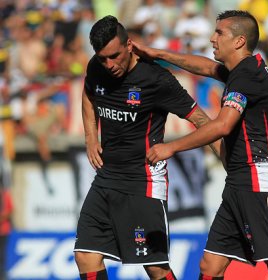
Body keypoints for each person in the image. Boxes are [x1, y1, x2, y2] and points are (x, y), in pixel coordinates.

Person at [133, 10, 268, 280]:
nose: (212, 39)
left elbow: (223, 125)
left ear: (238, 41)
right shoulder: (244, 70)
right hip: (239, 180)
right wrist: (159, 54)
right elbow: (205, 67)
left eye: (219, 33)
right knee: (210, 266)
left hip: (256, 179)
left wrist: (171, 147)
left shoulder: (246, 76)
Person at [73, 15, 221, 280]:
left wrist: (227, 159)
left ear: (129, 45)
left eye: (114, 56)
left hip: (143, 181)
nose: (109, 64)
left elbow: (201, 120)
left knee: (154, 267)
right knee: (85, 255)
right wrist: (90, 137)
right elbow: (88, 94)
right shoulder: (97, 67)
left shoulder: (156, 80)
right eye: (102, 58)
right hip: (106, 177)